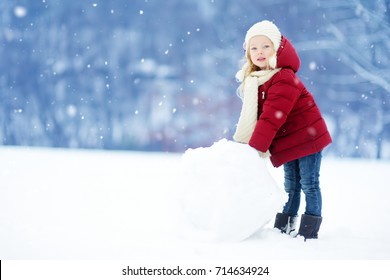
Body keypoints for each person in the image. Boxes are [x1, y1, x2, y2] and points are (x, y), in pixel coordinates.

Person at [233, 20, 332, 240]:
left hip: (308, 138)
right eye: (254, 47)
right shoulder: (257, 80)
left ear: (277, 48)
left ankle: (309, 229)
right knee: (291, 185)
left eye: (266, 46)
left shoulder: (283, 77)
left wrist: (253, 150)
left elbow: (270, 118)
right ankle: (285, 227)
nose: (260, 52)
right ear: (248, 53)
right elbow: (260, 118)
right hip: (289, 140)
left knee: (309, 183)